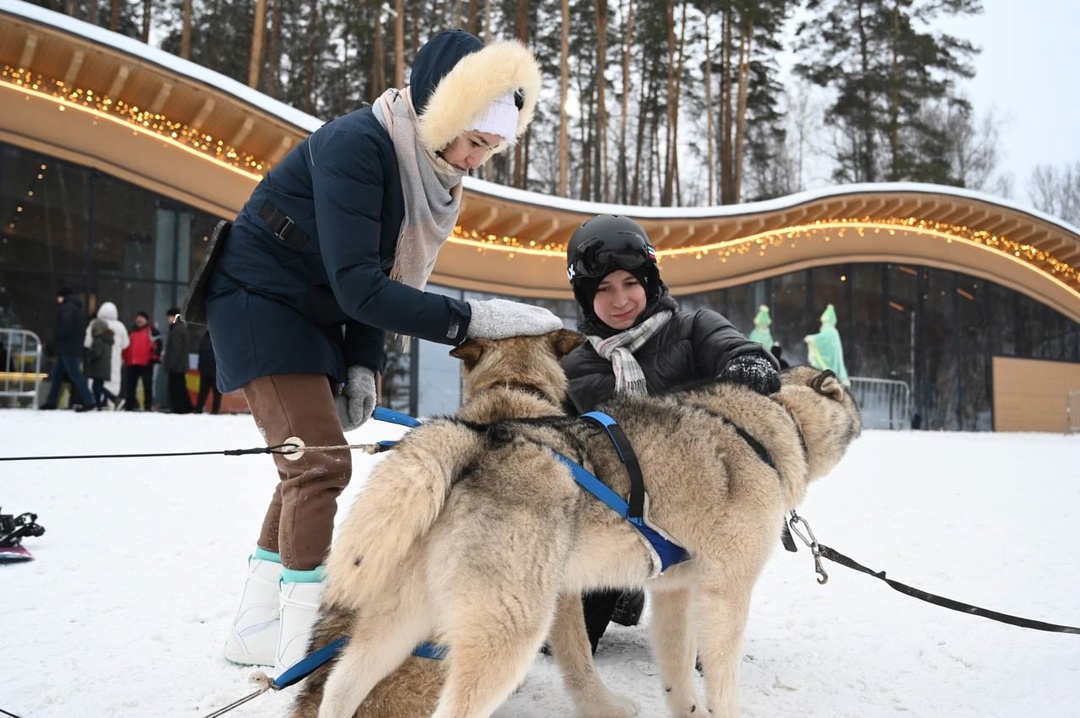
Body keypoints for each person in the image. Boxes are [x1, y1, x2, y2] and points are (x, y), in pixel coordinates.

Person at [205, 30, 558, 673]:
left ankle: (256, 625)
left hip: (316, 314)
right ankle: (303, 636)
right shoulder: (357, 146)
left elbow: (390, 277)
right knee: (319, 465)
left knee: (304, 462)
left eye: (493, 148)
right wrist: (471, 318)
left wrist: (364, 361)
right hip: (257, 297)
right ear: (442, 111)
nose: (478, 160)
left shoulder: (435, 177)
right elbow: (360, 284)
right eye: (476, 141)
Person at [561, 215, 781, 654]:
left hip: (702, 508)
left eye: (628, 282)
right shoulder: (573, 367)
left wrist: (741, 376)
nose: (620, 299)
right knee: (569, 644)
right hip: (616, 515)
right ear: (586, 299)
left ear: (649, 279)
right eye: (603, 289)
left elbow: (752, 360)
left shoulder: (695, 328)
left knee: (705, 646)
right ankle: (622, 587)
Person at [40, 288, 95, 411]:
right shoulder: (78, 311)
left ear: (63, 297)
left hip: (67, 348)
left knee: (74, 374)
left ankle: (89, 400)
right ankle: (51, 401)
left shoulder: (67, 309)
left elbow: (64, 327)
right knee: (57, 375)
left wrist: (56, 338)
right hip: (72, 347)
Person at [84, 301, 130, 410]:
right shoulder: (120, 326)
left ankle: (97, 402)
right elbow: (126, 344)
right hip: (114, 359)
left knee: (95, 383)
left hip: (98, 359)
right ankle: (112, 403)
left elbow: (87, 342)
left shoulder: (94, 324)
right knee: (113, 381)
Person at [122, 312, 161, 411]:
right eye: (138, 318)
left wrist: (154, 357)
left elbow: (159, 345)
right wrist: (124, 358)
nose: (139, 320)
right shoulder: (131, 331)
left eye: (141, 318)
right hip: (132, 363)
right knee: (130, 387)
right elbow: (125, 346)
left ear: (146, 320)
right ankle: (129, 406)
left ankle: (148, 406)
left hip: (146, 363)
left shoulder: (152, 331)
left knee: (147, 387)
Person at [804, 303, 850, 386]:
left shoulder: (830, 331)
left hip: (830, 361)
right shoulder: (832, 331)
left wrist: (812, 339)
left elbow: (822, 339)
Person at [163, 308, 194, 414]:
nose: (168, 319)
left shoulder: (176, 330)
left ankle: (179, 408)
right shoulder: (181, 328)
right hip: (180, 366)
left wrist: (170, 365)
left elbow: (175, 350)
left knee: (176, 388)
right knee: (181, 388)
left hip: (176, 367)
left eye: (170, 316)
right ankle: (186, 407)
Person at [84, 316, 117, 410]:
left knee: (97, 387)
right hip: (104, 367)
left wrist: (89, 353)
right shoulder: (107, 340)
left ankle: (113, 398)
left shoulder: (99, 340)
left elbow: (96, 352)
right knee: (97, 387)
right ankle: (98, 404)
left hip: (98, 367)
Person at [195, 330, 222, 414]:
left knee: (203, 391)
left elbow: (201, 354)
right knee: (216, 392)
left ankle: (199, 409)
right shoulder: (219, 340)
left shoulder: (203, 339)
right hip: (215, 371)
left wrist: (200, 367)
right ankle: (215, 410)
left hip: (206, 370)